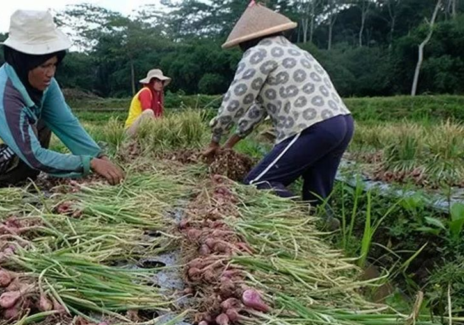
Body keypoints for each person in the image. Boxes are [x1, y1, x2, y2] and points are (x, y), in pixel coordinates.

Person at [0, 10, 125, 187]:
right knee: (24, 134)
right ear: (24, 63)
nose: (51, 73)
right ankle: (0, 182)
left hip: (0, 134)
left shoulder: (47, 85)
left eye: (54, 64)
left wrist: (99, 157)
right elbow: (33, 154)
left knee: (40, 121)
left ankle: (24, 176)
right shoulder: (3, 97)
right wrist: (89, 163)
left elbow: (66, 123)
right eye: (44, 66)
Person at [205, 1, 353, 209]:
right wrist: (228, 145)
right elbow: (257, 109)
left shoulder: (258, 54)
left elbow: (236, 100)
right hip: (341, 123)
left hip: (312, 125)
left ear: (248, 40)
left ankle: (301, 215)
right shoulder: (298, 53)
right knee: (316, 195)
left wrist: (215, 138)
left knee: (257, 183)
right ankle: (321, 223)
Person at [124, 69, 171, 139]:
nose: (160, 84)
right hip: (131, 130)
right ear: (151, 82)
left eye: (162, 82)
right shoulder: (145, 92)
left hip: (142, 129)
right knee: (148, 112)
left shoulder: (157, 96)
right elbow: (147, 114)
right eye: (158, 81)